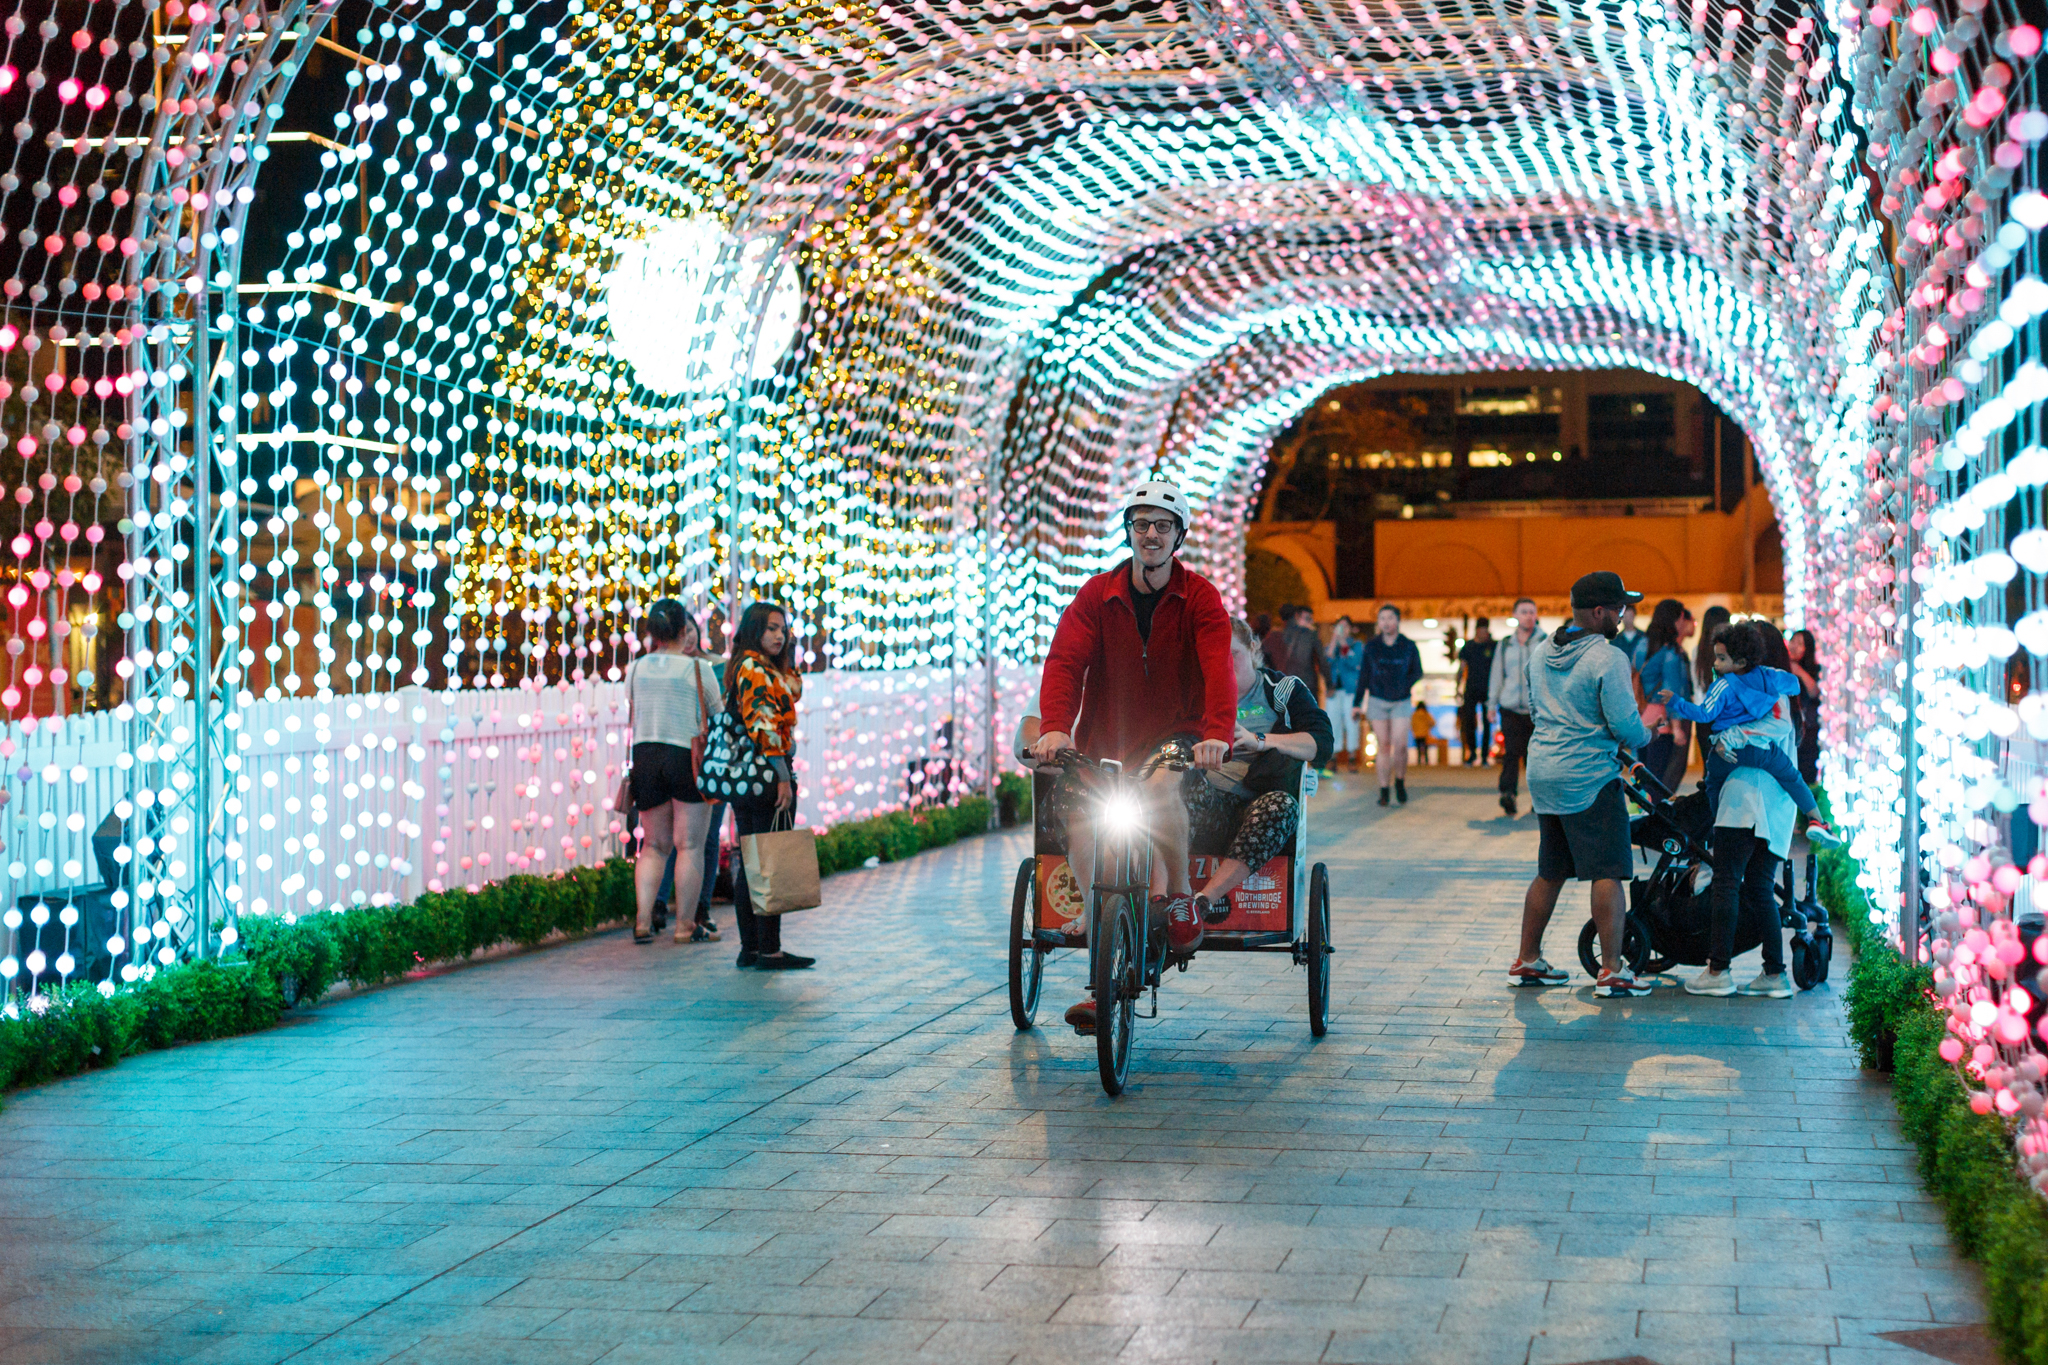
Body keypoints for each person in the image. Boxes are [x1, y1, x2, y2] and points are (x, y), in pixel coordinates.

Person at [1030, 479, 1234, 1033]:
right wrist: (1055, 729)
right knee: (1079, 820)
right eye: (1141, 524)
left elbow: (1219, 666)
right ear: (1128, 531)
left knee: (1162, 788)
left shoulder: (1200, 597)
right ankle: (1102, 974)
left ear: (1178, 536)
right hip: (1103, 742)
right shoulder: (1098, 594)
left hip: (1177, 735)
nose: (1150, 534)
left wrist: (1217, 732)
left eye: (1162, 526)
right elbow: (1065, 662)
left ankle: (1182, 900)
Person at [1509, 571, 1667, 998]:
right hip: (1589, 776)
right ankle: (1613, 970)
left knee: (1551, 869)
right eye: (1618, 608)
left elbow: (1535, 710)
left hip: (1544, 771)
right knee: (1608, 870)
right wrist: (1649, 729)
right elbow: (1625, 726)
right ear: (1599, 612)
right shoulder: (1608, 657)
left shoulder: (1541, 652)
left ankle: (1527, 961)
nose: (1623, 614)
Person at [1186, 618, 1334, 913]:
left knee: (1282, 806)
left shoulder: (1281, 690)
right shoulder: (1193, 694)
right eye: (1214, 656)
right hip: (1208, 806)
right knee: (1164, 787)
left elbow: (1322, 743)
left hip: (1256, 805)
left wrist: (1260, 740)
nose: (1225, 664)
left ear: (1253, 648)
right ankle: (1163, 895)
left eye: (1233, 655)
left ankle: (1202, 902)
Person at [1654, 620, 1841, 844]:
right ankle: (1816, 820)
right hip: (1760, 752)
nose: (1716, 663)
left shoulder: (1723, 685)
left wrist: (1677, 702)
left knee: (1712, 781)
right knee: (1792, 777)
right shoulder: (1767, 678)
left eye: (1721, 658)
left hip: (1727, 752)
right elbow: (1792, 689)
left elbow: (1704, 714)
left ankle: (1714, 826)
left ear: (1739, 658)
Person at [625, 599, 721, 946]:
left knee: (653, 845)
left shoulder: (636, 668)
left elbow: (633, 705)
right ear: (684, 630)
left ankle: (641, 921)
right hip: (687, 756)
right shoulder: (696, 669)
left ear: (652, 632)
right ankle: (685, 926)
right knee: (690, 844)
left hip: (646, 755)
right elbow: (717, 711)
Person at [725, 600, 814, 971]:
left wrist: (785, 653)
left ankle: (752, 948)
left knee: (753, 860)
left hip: (749, 777)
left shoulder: (753, 667)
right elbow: (763, 726)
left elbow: (793, 689)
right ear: (754, 631)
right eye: (772, 629)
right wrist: (782, 775)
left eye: (783, 629)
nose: (779, 635)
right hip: (767, 774)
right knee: (769, 860)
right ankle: (769, 949)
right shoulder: (755, 669)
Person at [651, 612, 729, 942]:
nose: (690, 636)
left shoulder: (718, 666)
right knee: (672, 839)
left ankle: (700, 907)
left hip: (710, 759)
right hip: (675, 758)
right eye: (683, 631)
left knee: (706, 839)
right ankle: (660, 903)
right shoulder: (657, 668)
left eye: (692, 629)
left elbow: (723, 712)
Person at [1352, 603, 1424, 806]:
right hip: (1377, 700)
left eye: (1390, 618)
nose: (1386, 622)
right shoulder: (1372, 646)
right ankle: (1384, 789)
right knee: (1383, 746)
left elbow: (1418, 671)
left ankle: (1399, 781)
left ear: (1398, 621)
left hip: (1401, 701)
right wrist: (1357, 703)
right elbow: (1364, 675)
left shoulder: (1408, 645)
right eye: (1382, 618)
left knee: (1400, 745)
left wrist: (1404, 685)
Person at [1635, 599, 1695, 794]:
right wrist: (1677, 727)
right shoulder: (1670, 652)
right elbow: (1671, 689)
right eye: (1680, 618)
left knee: (1644, 776)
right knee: (1660, 779)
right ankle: (1655, 818)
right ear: (1674, 620)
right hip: (1663, 722)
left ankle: (1643, 814)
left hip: (1642, 718)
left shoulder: (1642, 644)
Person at [1489, 597, 1541, 817]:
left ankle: (1538, 800)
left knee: (1535, 757)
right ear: (1515, 615)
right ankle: (1508, 794)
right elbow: (1497, 675)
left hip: (1537, 710)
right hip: (1509, 707)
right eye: (1523, 612)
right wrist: (1491, 703)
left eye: (1531, 612)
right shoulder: (1504, 645)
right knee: (1510, 753)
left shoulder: (1545, 641)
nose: (1528, 616)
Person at [1324, 615, 1364, 772]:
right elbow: (1327, 660)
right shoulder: (1331, 645)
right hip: (1334, 690)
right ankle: (1333, 757)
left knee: (1351, 723)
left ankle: (1352, 757)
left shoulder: (1357, 645)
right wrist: (1334, 640)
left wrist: (1342, 643)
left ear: (1351, 629)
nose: (1342, 630)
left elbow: (1354, 663)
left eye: (1345, 627)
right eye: (1339, 627)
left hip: (1350, 691)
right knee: (1333, 722)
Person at [1694, 604, 1731, 768]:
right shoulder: (1727, 651)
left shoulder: (1698, 650)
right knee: (1725, 766)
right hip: (1724, 715)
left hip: (1702, 715)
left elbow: (1696, 685)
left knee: (1708, 767)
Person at [1456, 618, 1496, 766]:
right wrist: (1457, 687)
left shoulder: (1493, 646)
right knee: (1469, 722)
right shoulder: (1468, 647)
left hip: (1488, 690)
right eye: (1481, 630)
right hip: (1471, 688)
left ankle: (1485, 756)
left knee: (1487, 723)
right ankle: (1472, 753)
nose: (1483, 633)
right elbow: (1461, 668)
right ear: (1477, 630)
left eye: (1486, 631)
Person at [1788, 627, 1822, 785]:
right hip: (1789, 728)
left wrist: (1799, 671)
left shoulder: (1814, 670)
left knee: (1806, 773)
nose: (1794, 645)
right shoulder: (1782, 668)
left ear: (1807, 648)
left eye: (1799, 643)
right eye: (1793, 641)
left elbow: (1814, 691)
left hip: (1808, 730)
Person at [1268, 604, 1327, 695]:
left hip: (1284, 686)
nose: (1311, 622)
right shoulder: (1311, 635)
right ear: (1296, 616)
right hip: (1308, 685)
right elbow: (1322, 660)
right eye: (1307, 619)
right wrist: (1329, 684)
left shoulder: (1274, 636)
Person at [1617, 602, 1647, 673]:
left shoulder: (1644, 636)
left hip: (1640, 675)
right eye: (1625, 616)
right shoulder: (1616, 639)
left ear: (1634, 616)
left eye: (1630, 616)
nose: (1628, 619)